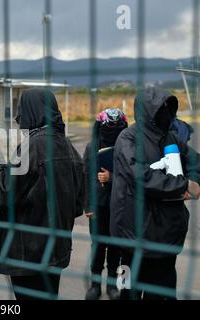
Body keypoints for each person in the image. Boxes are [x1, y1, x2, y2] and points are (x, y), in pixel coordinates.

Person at [0, 88, 85, 300]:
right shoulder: (68, 146)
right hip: (57, 251)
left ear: (31, 110)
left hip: (28, 256)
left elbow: (1, 192)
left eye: (21, 109)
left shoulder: (33, 146)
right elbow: (78, 203)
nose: (17, 116)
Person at [111, 87, 200, 300]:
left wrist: (195, 181)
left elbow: (195, 160)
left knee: (162, 293)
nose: (165, 114)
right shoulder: (127, 139)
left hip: (167, 235)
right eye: (160, 109)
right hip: (132, 236)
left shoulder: (171, 137)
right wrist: (183, 185)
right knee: (128, 290)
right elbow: (142, 177)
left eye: (168, 109)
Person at [83, 108, 128, 300]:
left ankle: (112, 285)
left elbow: (132, 176)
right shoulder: (91, 147)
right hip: (98, 206)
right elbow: (85, 178)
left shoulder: (127, 147)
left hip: (120, 205)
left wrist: (112, 177)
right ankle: (95, 285)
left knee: (116, 247)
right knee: (98, 246)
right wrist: (88, 205)